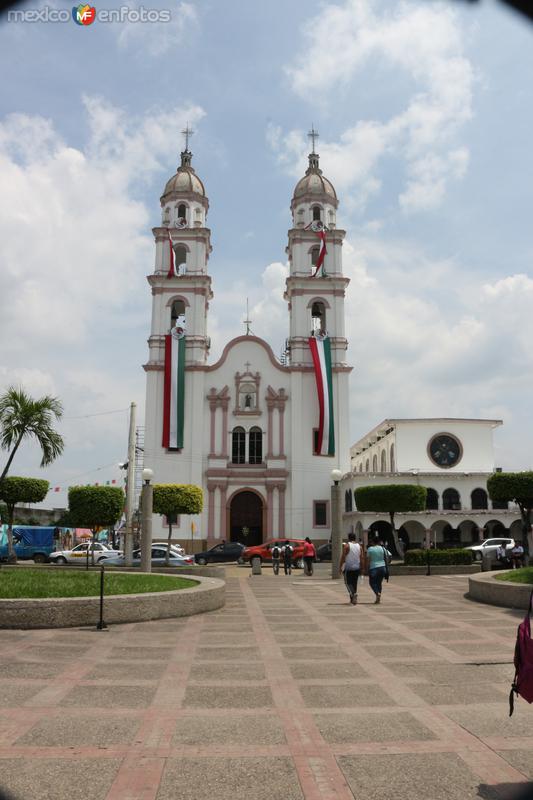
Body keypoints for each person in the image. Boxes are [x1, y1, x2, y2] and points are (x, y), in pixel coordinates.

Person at [366, 537, 391, 604]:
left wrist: (367, 568)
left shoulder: (370, 549)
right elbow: (388, 556)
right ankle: (378, 598)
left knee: (372, 583)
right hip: (382, 567)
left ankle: (377, 593)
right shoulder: (383, 548)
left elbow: (368, 560)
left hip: (373, 567)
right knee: (379, 583)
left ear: (372, 542)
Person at [339, 532, 363, 605]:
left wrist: (340, 567)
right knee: (354, 583)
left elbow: (343, 557)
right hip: (357, 567)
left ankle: (353, 594)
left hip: (348, 568)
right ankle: (353, 599)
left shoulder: (347, 546)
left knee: (347, 583)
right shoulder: (359, 546)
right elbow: (361, 557)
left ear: (348, 538)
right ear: (355, 538)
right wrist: (362, 567)